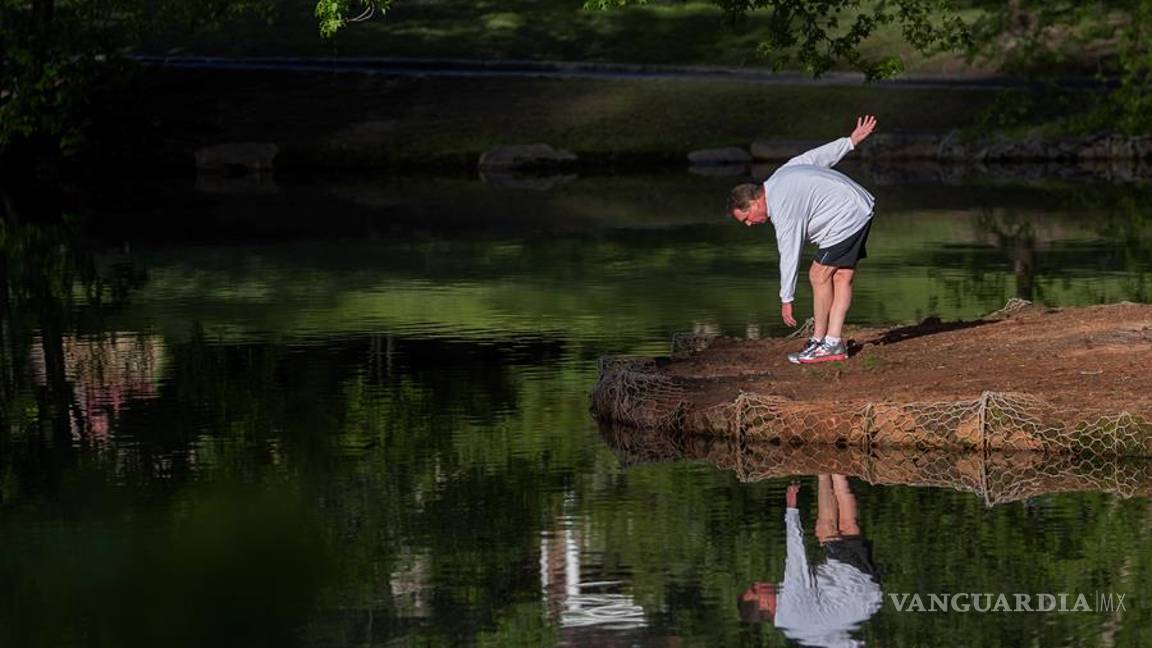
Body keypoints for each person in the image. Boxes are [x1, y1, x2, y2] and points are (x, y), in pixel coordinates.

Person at [727, 116, 878, 364]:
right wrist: (849, 142)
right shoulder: (780, 176)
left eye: (746, 218)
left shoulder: (781, 206)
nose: (749, 224)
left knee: (818, 275)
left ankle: (821, 342)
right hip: (857, 206)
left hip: (848, 214)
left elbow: (789, 252)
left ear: (755, 202)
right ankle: (832, 342)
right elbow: (815, 158)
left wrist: (786, 298)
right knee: (841, 275)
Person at [738, 476, 883, 647]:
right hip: (855, 586)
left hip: (867, 600)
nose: (757, 583)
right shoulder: (790, 607)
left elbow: (833, 642)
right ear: (764, 603)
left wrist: (856, 645)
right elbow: (796, 556)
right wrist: (791, 510)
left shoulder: (794, 630)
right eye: (755, 589)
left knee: (826, 533)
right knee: (843, 527)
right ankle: (835, 470)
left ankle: (826, 472)